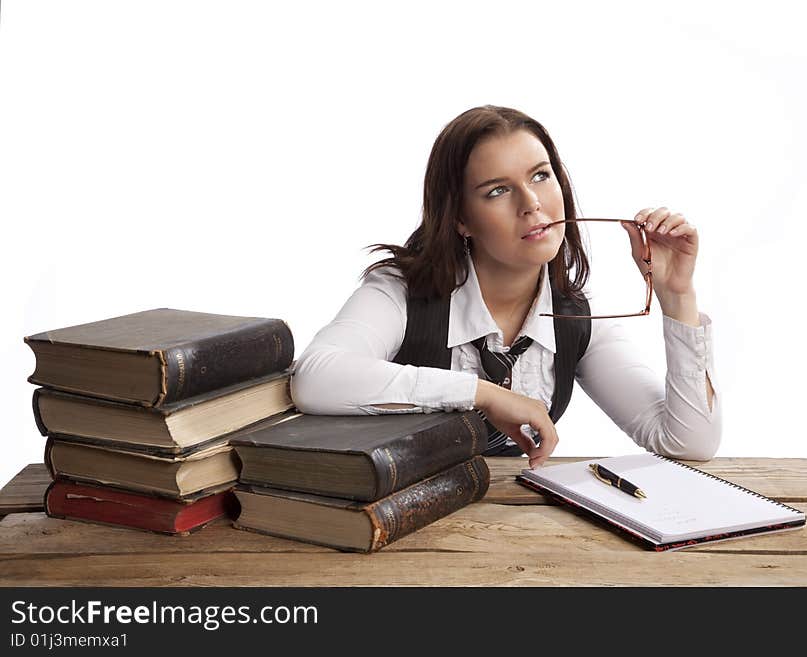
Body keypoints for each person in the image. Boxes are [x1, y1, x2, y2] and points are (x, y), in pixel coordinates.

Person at [291, 105, 720, 468]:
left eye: (540, 176)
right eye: (497, 190)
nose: (531, 203)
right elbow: (313, 379)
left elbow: (688, 443)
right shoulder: (400, 293)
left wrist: (676, 295)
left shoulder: (574, 320)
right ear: (460, 218)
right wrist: (482, 394)